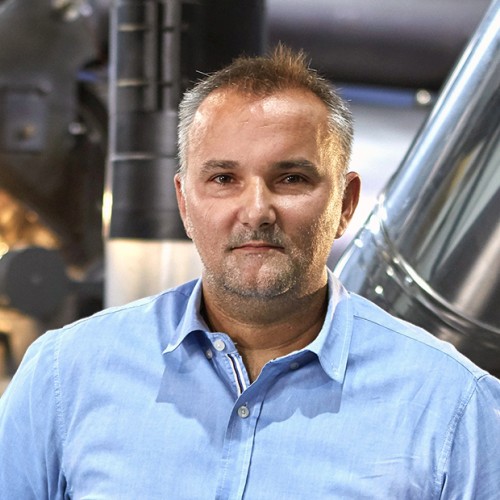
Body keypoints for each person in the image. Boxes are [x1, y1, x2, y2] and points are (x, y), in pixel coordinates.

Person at [0, 46, 499, 499]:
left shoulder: (453, 405)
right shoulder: (64, 375)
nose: (257, 210)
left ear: (345, 205)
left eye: (291, 178)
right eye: (224, 178)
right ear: (184, 204)